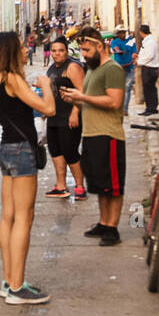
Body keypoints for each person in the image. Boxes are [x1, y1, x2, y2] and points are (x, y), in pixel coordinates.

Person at [0, 31, 56, 304]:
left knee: (8, 216)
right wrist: (46, 84)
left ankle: (9, 280)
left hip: (6, 149)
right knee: (24, 218)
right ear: (11, 51)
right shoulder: (14, 78)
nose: (28, 50)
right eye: (23, 47)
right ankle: (17, 286)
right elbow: (47, 109)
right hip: (21, 150)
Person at [59, 26, 128, 246]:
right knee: (99, 184)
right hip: (90, 133)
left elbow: (114, 101)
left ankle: (113, 227)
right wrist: (75, 99)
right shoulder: (91, 69)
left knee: (113, 185)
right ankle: (103, 222)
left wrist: (83, 98)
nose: (84, 55)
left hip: (109, 133)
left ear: (100, 46)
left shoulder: (112, 69)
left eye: (87, 50)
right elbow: (91, 98)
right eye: (82, 51)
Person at [43, 37, 86, 199]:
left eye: (60, 50)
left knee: (70, 151)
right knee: (55, 150)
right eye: (54, 51)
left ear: (67, 52)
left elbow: (82, 92)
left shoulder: (73, 67)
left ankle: (80, 186)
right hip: (54, 116)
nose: (57, 54)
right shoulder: (52, 68)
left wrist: (75, 112)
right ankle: (60, 186)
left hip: (70, 116)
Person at [109, 25, 136, 112]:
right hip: (119, 68)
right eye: (121, 33)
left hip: (129, 68)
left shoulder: (131, 41)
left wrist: (133, 59)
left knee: (127, 88)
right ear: (117, 34)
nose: (123, 34)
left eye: (124, 32)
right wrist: (119, 51)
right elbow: (116, 49)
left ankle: (125, 109)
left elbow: (134, 52)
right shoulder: (115, 42)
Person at [136, 24, 159, 116]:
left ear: (142, 32)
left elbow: (150, 55)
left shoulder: (150, 42)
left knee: (149, 88)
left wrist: (139, 62)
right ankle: (151, 107)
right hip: (148, 67)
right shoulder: (147, 41)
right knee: (149, 88)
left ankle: (151, 108)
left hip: (149, 68)